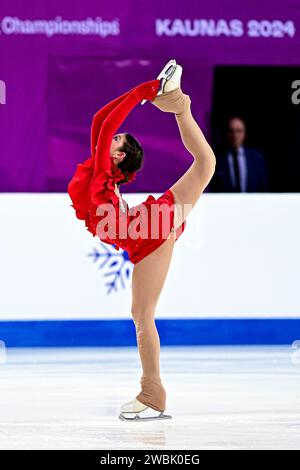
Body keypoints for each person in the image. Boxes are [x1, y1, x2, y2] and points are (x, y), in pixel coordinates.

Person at [67, 60, 216, 421]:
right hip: (147, 228)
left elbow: (103, 128)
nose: (111, 138)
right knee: (205, 164)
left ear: (116, 156)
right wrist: (145, 90)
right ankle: (180, 104)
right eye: (118, 138)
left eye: (116, 141)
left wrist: (146, 91)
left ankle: (152, 392)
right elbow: (101, 122)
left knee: (142, 315)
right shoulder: (102, 178)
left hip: (148, 230)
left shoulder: (103, 175)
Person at [209, 116, 269, 192]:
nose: (235, 135)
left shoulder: (257, 158)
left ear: (244, 133)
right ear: (226, 133)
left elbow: (264, 187)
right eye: (231, 131)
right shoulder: (217, 159)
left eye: (239, 131)